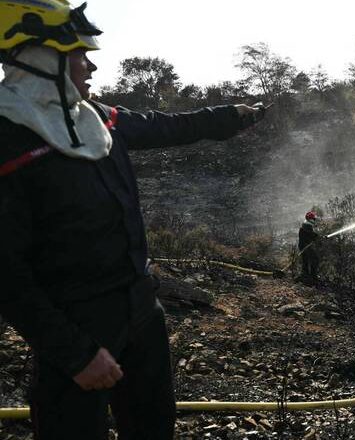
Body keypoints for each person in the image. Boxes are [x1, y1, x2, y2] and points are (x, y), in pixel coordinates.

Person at [0, 2, 266, 439]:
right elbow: (6, 274)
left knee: (153, 426)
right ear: (40, 56)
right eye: (79, 54)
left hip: (142, 311)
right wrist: (75, 354)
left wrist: (231, 117)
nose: (91, 64)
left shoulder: (98, 119)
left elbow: (165, 127)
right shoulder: (8, 141)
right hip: (76, 328)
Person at [298, 211, 321, 282]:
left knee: (306, 261)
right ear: (311, 219)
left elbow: (311, 235)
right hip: (306, 247)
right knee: (315, 260)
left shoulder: (305, 224)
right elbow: (313, 235)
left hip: (303, 246)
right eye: (314, 219)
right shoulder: (307, 225)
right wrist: (320, 237)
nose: (314, 220)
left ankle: (306, 276)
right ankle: (313, 277)